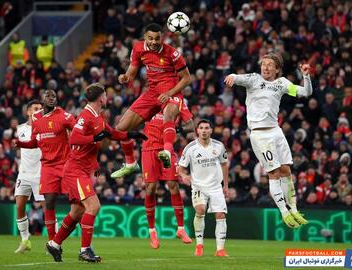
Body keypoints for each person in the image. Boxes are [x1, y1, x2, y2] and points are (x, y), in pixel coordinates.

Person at [46, 83, 146, 263]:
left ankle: (54, 244)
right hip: (76, 170)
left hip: (83, 170)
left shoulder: (97, 116)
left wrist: (133, 135)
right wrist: (94, 138)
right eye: (106, 95)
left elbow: (113, 133)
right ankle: (85, 250)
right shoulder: (85, 116)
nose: (107, 98)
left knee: (76, 212)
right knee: (93, 206)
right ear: (101, 98)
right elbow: (74, 139)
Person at [224, 53, 311, 228]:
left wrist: (306, 76)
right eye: (264, 64)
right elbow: (237, 77)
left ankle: (294, 210)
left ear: (277, 69)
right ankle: (284, 213)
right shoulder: (254, 79)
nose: (266, 67)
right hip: (259, 134)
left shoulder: (282, 83)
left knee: (286, 170)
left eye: (270, 65)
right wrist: (231, 76)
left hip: (276, 132)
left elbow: (305, 93)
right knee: (274, 173)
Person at [110, 23, 191, 178]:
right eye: (150, 38)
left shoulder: (172, 53)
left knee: (168, 114)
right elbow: (132, 71)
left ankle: (166, 152)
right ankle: (131, 164)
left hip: (172, 91)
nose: (154, 42)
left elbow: (187, 79)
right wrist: (126, 77)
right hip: (152, 93)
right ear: (144, 37)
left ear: (162, 37)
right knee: (120, 128)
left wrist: (169, 93)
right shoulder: (138, 48)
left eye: (157, 39)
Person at [13, 89, 76, 241]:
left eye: (54, 96)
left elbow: (78, 132)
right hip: (47, 166)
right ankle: (52, 242)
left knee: (78, 204)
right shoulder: (35, 118)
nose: (51, 98)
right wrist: (20, 143)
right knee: (48, 203)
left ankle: (85, 243)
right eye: (48, 96)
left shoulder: (64, 116)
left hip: (65, 165)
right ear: (43, 99)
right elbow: (35, 141)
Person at [142, 102, 194, 249]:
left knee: (173, 185)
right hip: (149, 149)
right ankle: (152, 232)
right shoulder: (150, 99)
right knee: (150, 188)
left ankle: (181, 229)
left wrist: (175, 128)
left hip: (167, 149)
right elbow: (136, 116)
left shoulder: (178, 103)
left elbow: (191, 126)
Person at [178, 119, 229, 257]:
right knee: (200, 210)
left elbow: (224, 165)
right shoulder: (190, 148)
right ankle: (199, 245)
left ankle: (220, 250)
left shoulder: (219, 146)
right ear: (197, 131)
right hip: (199, 186)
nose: (204, 130)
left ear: (211, 130)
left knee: (221, 215)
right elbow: (180, 168)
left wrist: (226, 186)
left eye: (207, 128)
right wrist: (184, 176)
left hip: (216, 187)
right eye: (201, 128)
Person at [14, 100, 44, 253]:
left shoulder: (46, 129)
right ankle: (25, 240)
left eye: (40, 108)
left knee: (48, 209)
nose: (39, 111)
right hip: (24, 174)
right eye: (36, 108)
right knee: (19, 206)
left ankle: (54, 243)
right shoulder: (20, 129)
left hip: (41, 174)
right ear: (28, 112)